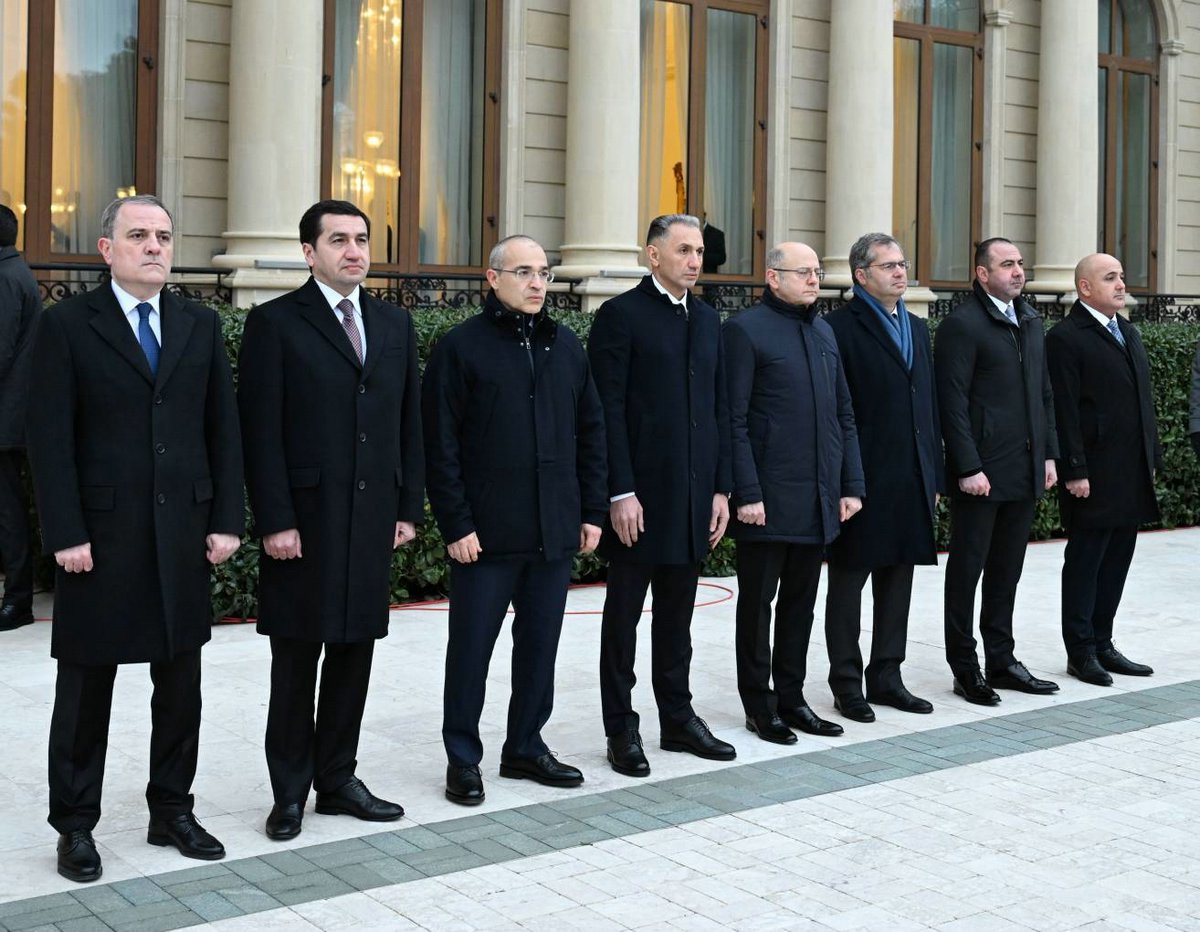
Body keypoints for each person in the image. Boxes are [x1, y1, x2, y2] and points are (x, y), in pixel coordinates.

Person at [27, 194, 243, 882]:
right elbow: (49, 438)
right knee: (86, 690)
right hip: (100, 539)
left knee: (179, 686)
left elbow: (222, 428)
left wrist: (226, 518)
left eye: (164, 237)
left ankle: (171, 810)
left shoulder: (198, 323)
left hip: (181, 536)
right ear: (107, 249)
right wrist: (65, 531)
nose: (154, 247)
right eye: (139, 235)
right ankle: (75, 825)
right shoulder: (66, 325)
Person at [238, 200, 423, 841]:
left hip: (371, 518)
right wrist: (275, 520)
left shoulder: (393, 323)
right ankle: (288, 792)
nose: (354, 250)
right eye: (338, 239)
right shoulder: (274, 323)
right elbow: (260, 432)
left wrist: (407, 508)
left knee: (353, 653)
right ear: (309, 252)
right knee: (296, 661)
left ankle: (338, 779)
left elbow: (408, 423)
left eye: (361, 239)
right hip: (304, 523)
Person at [424, 235, 607, 805]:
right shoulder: (461, 347)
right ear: (493, 277)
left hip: (553, 530)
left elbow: (592, 431)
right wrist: (456, 525)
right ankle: (463, 758)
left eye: (544, 273)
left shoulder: (565, 345)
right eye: (523, 272)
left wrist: (591, 511)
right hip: (485, 535)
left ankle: (525, 745)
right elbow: (439, 445)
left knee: (540, 647)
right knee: (471, 651)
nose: (536, 283)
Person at [588, 213, 735, 777]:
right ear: (654, 255)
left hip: (694, 497)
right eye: (683, 250)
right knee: (623, 619)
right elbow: (606, 412)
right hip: (639, 501)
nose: (695, 261)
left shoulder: (708, 318)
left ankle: (677, 718)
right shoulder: (620, 315)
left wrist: (721, 488)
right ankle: (620, 728)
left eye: (698, 251)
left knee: (678, 619)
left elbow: (720, 408)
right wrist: (619, 491)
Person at [724, 241, 864, 744]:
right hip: (765, 500)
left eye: (817, 272)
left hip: (818, 497)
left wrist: (851, 484)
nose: (813, 280)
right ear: (772, 277)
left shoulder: (823, 331)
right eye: (802, 272)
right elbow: (734, 420)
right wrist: (747, 492)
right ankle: (758, 706)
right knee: (757, 606)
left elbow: (844, 414)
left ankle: (792, 699)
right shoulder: (744, 331)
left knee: (800, 605)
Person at [935, 237, 1060, 705]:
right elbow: (952, 403)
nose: (1018, 271)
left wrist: (1048, 455)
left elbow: (1044, 394)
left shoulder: (1030, 320)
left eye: (1020, 263)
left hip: (1023, 470)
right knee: (967, 572)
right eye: (1007, 264)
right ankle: (965, 667)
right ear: (983, 274)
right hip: (981, 475)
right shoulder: (962, 325)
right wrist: (968, 466)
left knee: (1007, 571)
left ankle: (1002, 661)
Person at [823, 233, 940, 722]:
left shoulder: (917, 327)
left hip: (911, 475)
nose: (900, 272)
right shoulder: (837, 328)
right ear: (860, 274)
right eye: (888, 265)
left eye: (902, 263)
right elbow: (835, 413)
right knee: (848, 584)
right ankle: (847, 684)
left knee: (898, 582)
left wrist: (933, 476)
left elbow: (928, 406)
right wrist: (845, 481)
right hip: (862, 479)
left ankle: (887, 676)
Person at [1046, 254, 1160, 686]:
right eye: (1110, 278)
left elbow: (1142, 403)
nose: (1120, 284)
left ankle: (1103, 642)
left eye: (1121, 276)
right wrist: (1074, 469)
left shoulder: (1127, 331)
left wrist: (1151, 458)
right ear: (1085, 287)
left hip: (1129, 470)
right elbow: (1064, 410)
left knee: (1116, 561)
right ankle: (1081, 652)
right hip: (1090, 474)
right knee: (1085, 562)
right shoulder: (1065, 338)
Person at [0, 204, 41, 631]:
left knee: (8, 512)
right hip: (12, 416)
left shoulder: (6, 278)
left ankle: (17, 600)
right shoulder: (16, 272)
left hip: (6, 420)